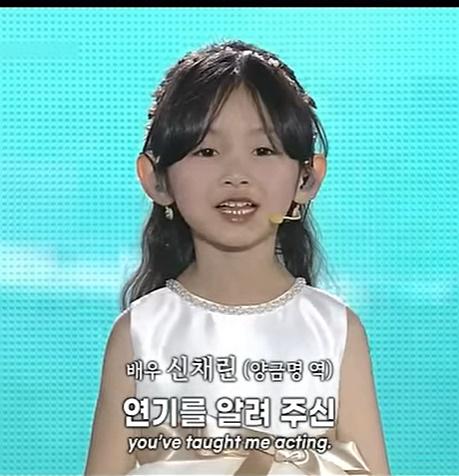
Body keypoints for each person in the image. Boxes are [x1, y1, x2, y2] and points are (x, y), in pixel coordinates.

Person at [84, 39, 390, 475]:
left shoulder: (335, 330)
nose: (236, 175)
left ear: (307, 177)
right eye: (206, 151)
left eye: (263, 150)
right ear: (157, 179)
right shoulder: (141, 332)